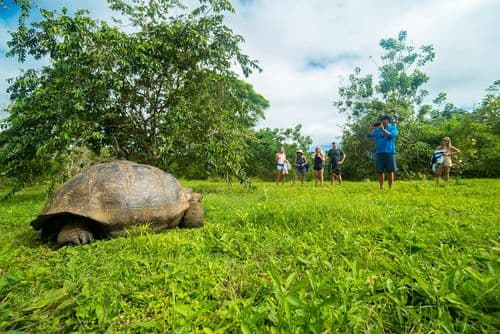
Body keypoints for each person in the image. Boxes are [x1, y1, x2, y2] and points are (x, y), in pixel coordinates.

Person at [368, 114, 398, 189]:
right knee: (380, 171)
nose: (383, 121)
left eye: (385, 119)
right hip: (379, 153)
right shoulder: (377, 130)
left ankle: (390, 187)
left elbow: (391, 136)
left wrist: (383, 130)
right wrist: (371, 128)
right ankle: (381, 187)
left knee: (390, 171)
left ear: (388, 121)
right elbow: (369, 136)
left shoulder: (393, 128)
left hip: (389, 152)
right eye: (382, 120)